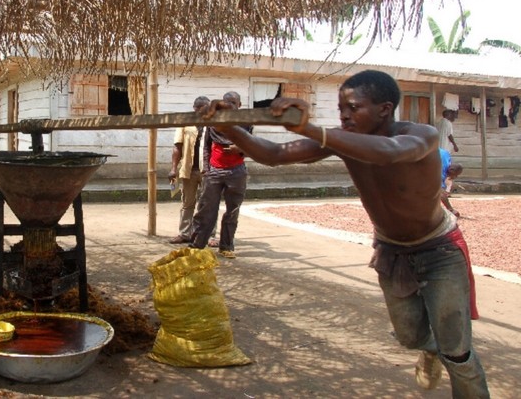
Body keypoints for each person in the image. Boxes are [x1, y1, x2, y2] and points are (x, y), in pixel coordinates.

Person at [205, 70, 488, 396]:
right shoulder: (339, 140)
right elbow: (276, 154)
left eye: (353, 108)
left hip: (439, 249)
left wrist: (312, 129)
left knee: (459, 351)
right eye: (341, 109)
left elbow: (389, 152)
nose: (344, 116)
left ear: (384, 108)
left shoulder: (420, 135)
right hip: (392, 250)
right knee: (410, 336)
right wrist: (228, 128)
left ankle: (448, 355)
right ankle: (432, 348)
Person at [189, 91, 250, 259]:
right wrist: (207, 168)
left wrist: (240, 149)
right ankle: (197, 245)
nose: (229, 105)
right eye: (226, 102)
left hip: (236, 172)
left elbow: (253, 147)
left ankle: (226, 246)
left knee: (232, 212)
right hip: (214, 171)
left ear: (239, 105)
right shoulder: (213, 122)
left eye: (233, 102)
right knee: (206, 210)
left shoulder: (246, 123)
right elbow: (207, 147)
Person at [167, 96, 218, 246]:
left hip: (208, 170)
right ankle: (185, 233)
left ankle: (210, 235)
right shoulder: (185, 123)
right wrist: (173, 168)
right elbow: (177, 147)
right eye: (204, 108)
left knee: (209, 204)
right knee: (187, 203)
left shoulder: (213, 123)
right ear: (196, 108)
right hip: (188, 170)